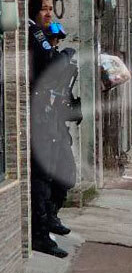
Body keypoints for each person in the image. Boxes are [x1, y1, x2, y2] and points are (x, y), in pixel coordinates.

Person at [28, 0, 68, 257]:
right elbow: (47, 65)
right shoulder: (33, 33)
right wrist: (62, 55)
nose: (49, 14)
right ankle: (41, 234)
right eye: (43, 9)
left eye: (51, 9)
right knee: (42, 177)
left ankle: (49, 219)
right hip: (37, 116)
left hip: (51, 115)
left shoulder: (44, 35)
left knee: (62, 174)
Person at [44, 22, 81, 238]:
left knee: (67, 175)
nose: (56, 44)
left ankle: (52, 214)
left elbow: (65, 99)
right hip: (45, 131)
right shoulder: (49, 64)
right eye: (53, 40)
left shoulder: (63, 69)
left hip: (58, 129)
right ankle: (47, 219)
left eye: (58, 41)